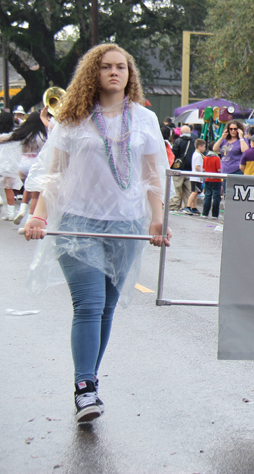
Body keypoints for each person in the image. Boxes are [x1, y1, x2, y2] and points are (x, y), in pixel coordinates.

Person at [22, 43, 171, 423]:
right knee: (88, 305)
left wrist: (158, 220)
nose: (115, 73)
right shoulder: (72, 118)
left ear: (130, 74)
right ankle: (85, 389)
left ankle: (89, 380)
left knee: (105, 309)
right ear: (94, 73)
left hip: (126, 226)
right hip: (77, 223)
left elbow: (154, 175)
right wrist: (38, 217)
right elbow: (53, 174)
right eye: (106, 67)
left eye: (121, 67)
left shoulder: (143, 119)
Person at [0, 111, 47, 222]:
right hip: (35, 162)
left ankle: (21, 210)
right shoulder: (42, 135)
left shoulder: (23, 133)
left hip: (22, 163)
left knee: (25, 188)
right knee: (34, 193)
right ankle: (29, 216)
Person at [213, 121, 248, 191]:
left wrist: (241, 137)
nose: (233, 131)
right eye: (231, 129)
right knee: (226, 192)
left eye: (235, 129)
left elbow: (245, 150)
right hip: (225, 169)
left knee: (235, 192)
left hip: (236, 170)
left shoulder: (242, 140)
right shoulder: (224, 140)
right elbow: (215, 149)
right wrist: (221, 138)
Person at [168, 125, 194, 211]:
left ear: (181, 132)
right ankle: (187, 206)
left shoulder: (178, 141)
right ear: (190, 132)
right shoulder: (194, 141)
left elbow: (173, 153)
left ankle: (174, 206)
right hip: (190, 169)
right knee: (188, 190)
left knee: (176, 188)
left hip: (178, 168)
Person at [184, 138, 206, 215]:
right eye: (203, 147)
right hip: (196, 176)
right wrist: (201, 173)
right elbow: (197, 166)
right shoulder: (198, 156)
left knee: (196, 192)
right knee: (194, 192)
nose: (204, 148)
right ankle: (188, 206)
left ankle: (194, 207)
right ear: (199, 146)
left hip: (194, 176)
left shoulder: (196, 154)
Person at [201, 144, 222, 219]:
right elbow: (219, 170)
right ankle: (215, 215)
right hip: (216, 179)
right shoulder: (217, 158)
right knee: (216, 197)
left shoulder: (205, 158)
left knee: (207, 196)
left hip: (207, 179)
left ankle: (205, 213)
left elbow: (203, 169)